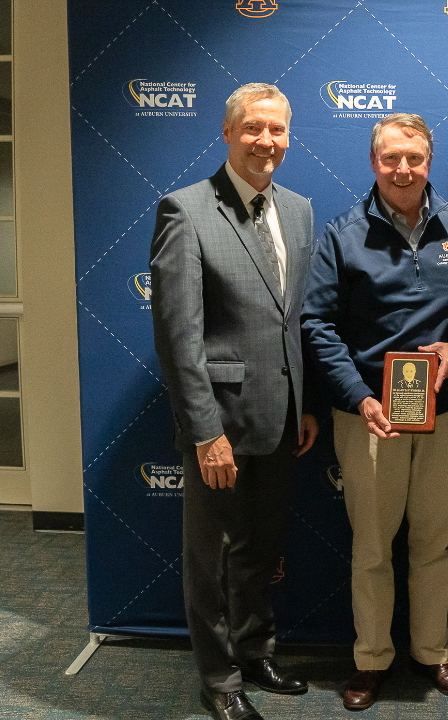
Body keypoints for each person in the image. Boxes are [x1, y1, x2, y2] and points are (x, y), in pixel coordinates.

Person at [302, 112, 448, 711]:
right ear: (373, 162)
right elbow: (318, 323)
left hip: (445, 412)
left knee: (437, 541)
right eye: (391, 158)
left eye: (414, 158)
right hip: (368, 416)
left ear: (429, 162)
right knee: (372, 547)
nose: (403, 169)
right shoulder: (341, 233)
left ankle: (432, 652)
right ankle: (371, 659)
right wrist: (358, 398)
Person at [150, 82, 318, 720]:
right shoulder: (185, 209)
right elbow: (178, 336)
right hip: (219, 427)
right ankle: (219, 680)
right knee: (212, 559)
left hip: (280, 419)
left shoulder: (299, 210)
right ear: (227, 134)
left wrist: (302, 403)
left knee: (260, 548)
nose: (265, 141)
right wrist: (204, 432)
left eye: (276, 129)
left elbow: (290, 321)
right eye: (253, 129)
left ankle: (254, 650)